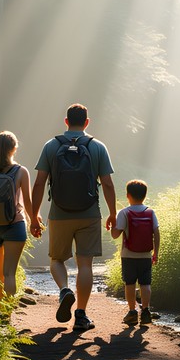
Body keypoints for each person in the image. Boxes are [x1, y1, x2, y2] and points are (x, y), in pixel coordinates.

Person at [30, 103, 116, 331]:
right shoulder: (97, 146)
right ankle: (81, 315)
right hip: (89, 213)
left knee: (57, 260)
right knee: (85, 264)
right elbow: (107, 183)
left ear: (66, 121)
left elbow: (39, 183)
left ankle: (64, 291)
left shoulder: (51, 145)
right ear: (87, 122)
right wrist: (113, 214)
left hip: (59, 213)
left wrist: (33, 214)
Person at [0, 131, 40, 303]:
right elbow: (28, 202)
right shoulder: (20, 171)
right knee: (9, 273)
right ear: (14, 148)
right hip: (15, 225)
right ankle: (7, 311)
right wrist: (34, 222)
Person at [110, 179, 160, 325]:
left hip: (128, 255)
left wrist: (113, 224)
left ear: (128, 195)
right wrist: (156, 253)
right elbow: (156, 233)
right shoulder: (151, 212)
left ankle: (132, 312)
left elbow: (115, 235)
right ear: (145, 195)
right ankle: (145, 311)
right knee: (145, 284)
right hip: (145, 255)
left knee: (130, 283)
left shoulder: (124, 212)